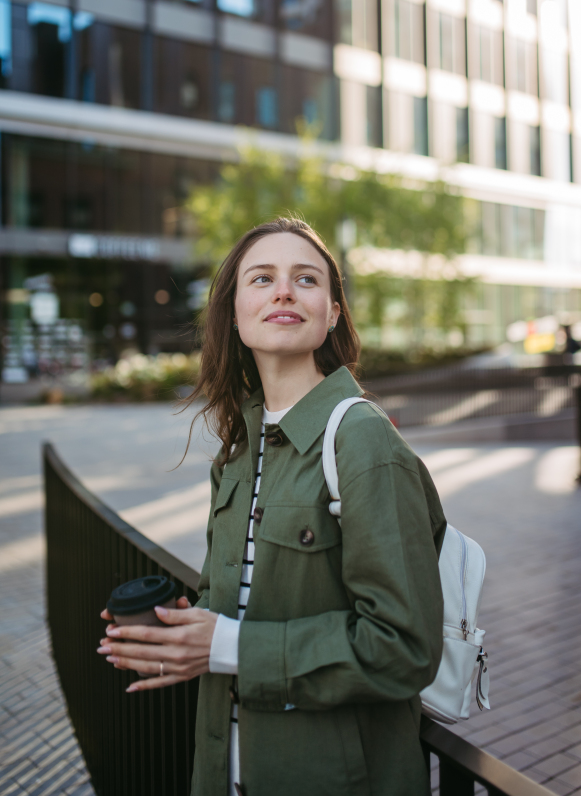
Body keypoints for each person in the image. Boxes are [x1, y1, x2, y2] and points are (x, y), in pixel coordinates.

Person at [98, 217, 446, 796]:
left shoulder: (363, 441)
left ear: (332, 313)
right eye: (262, 278)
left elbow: (405, 648)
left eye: (305, 279)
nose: (284, 290)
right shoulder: (240, 449)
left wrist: (224, 645)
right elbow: (236, 610)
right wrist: (177, 636)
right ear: (234, 312)